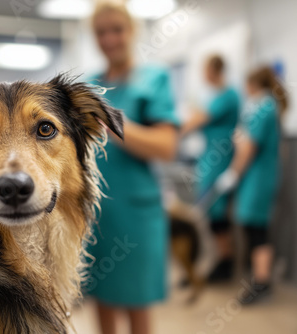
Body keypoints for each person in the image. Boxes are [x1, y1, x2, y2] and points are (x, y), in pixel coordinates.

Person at [84, 2, 179, 334]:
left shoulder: (154, 79)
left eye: (117, 30)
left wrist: (112, 123)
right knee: (101, 296)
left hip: (136, 214)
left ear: (132, 31)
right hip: (97, 212)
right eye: (101, 32)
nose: (109, 39)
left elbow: (167, 147)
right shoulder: (88, 85)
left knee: (136, 300)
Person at [213, 66, 287, 304]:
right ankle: (259, 279)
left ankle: (261, 282)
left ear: (253, 83)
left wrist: (233, 173)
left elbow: (249, 147)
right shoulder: (263, 105)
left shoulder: (263, 106)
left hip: (258, 178)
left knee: (257, 229)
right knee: (253, 227)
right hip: (257, 177)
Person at [181, 55, 240, 282]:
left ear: (214, 70)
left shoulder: (228, 95)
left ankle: (225, 263)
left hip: (220, 158)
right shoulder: (219, 96)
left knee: (215, 211)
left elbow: (199, 119)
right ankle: (217, 262)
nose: (203, 75)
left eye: (205, 70)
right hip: (211, 157)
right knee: (210, 212)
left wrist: (172, 134)